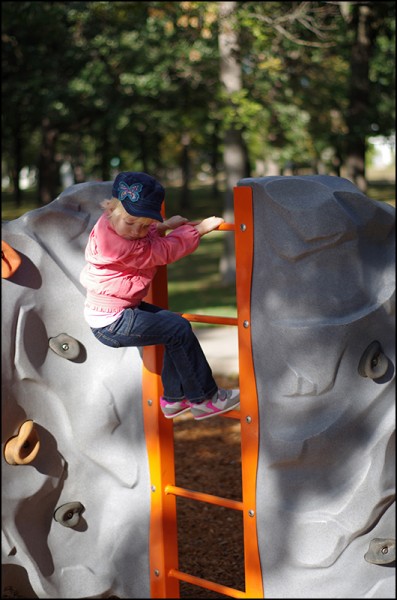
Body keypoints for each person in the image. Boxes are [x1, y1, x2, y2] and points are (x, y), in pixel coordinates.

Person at [80, 171, 240, 420]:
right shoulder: (117, 245)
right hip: (112, 322)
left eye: (145, 225)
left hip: (118, 311)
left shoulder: (110, 227)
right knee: (178, 329)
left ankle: (174, 398)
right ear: (111, 209)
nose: (137, 230)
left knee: (172, 329)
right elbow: (163, 251)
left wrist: (162, 226)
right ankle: (205, 398)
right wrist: (199, 230)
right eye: (132, 223)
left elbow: (143, 238)